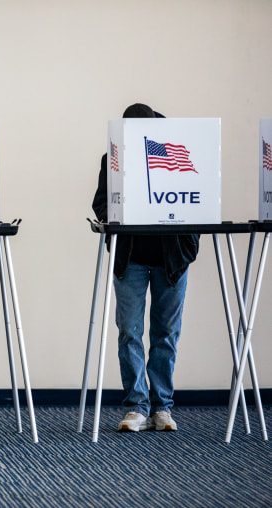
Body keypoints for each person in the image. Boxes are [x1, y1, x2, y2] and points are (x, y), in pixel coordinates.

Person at [92, 103, 199, 432]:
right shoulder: (113, 158)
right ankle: (137, 407)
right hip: (131, 259)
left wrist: (188, 245)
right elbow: (99, 203)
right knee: (130, 334)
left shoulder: (177, 152)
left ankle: (162, 408)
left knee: (166, 334)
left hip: (172, 260)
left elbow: (198, 199)